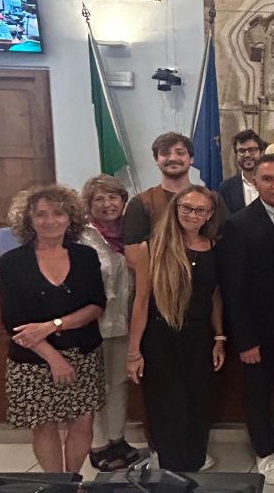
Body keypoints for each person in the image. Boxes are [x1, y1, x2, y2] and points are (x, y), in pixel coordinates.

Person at [0, 184, 107, 473]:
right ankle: (55, 485)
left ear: (70, 217)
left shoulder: (85, 256)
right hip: (33, 358)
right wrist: (54, 358)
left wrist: (52, 325)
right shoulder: (12, 262)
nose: (50, 221)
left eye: (58, 213)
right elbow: (13, 322)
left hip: (83, 353)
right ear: (29, 219)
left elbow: (96, 305)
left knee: (83, 421)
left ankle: (72, 482)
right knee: (43, 425)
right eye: (41, 214)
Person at [218, 154, 274, 484]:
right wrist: (245, 340)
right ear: (255, 182)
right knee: (258, 393)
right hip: (261, 327)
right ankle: (265, 453)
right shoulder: (238, 224)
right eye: (267, 179)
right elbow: (234, 287)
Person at [127, 185, 226, 472]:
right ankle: (170, 472)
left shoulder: (214, 247)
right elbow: (141, 301)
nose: (193, 215)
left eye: (200, 210)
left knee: (198, 404)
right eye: (187, 208)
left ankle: (192, 467)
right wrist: (133, 352)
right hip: (161, 337)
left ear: (210, 214)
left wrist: (219, 336)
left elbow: (214, 296)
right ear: (175, 209)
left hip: (199, 336)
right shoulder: (152, 247)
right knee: (168, 407)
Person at [79, 174, 140, 471]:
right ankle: (98, 445)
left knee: (118, 384)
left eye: (113, 197)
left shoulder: (130, 233)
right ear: (89, 204)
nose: (107, 204)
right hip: (92, 326)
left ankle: (117, 439)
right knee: (95, 386)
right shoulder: (81, 236)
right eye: (99, 199)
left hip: (125, 323)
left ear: (123, 201)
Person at [123, 133, 199, 363]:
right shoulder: (141, 203)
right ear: (157, 160)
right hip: (157, 304)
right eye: (165, 153)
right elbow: (133, 257)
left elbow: (218, 247)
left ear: (191, 159)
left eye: (180, 152)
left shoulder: (210, 200)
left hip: (200, 301)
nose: (172, 158)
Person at [219, 130, 266, 215]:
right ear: (236, 155)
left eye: (252, 150)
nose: (247, 155)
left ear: (261, 153)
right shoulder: (226, 188)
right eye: (241, 151)